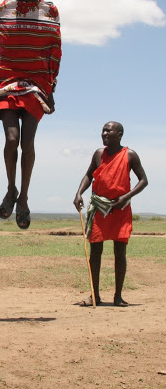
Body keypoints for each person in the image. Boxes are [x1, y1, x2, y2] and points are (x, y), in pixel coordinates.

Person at [0, 0, 62, 229]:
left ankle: (24, 198)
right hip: (6, 81)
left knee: (27, 144)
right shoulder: (3, 10)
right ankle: (11, 189)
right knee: (11, 138)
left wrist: (51, 88)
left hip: (37, 85)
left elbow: (54, 49)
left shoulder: (49, 10)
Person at [73, 121, 148, 307]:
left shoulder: (130, 155)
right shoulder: (99, 154)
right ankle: (94, 295)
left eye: (108, 130)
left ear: (120, 134)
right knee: (95, 251)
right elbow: (89, 175)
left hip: (120, 209)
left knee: (120, 252)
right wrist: (79, 193)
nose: (104, 133)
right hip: (100, 208)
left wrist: (125, 197)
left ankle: (118, 296)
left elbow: (143, 181)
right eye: (103, 131)